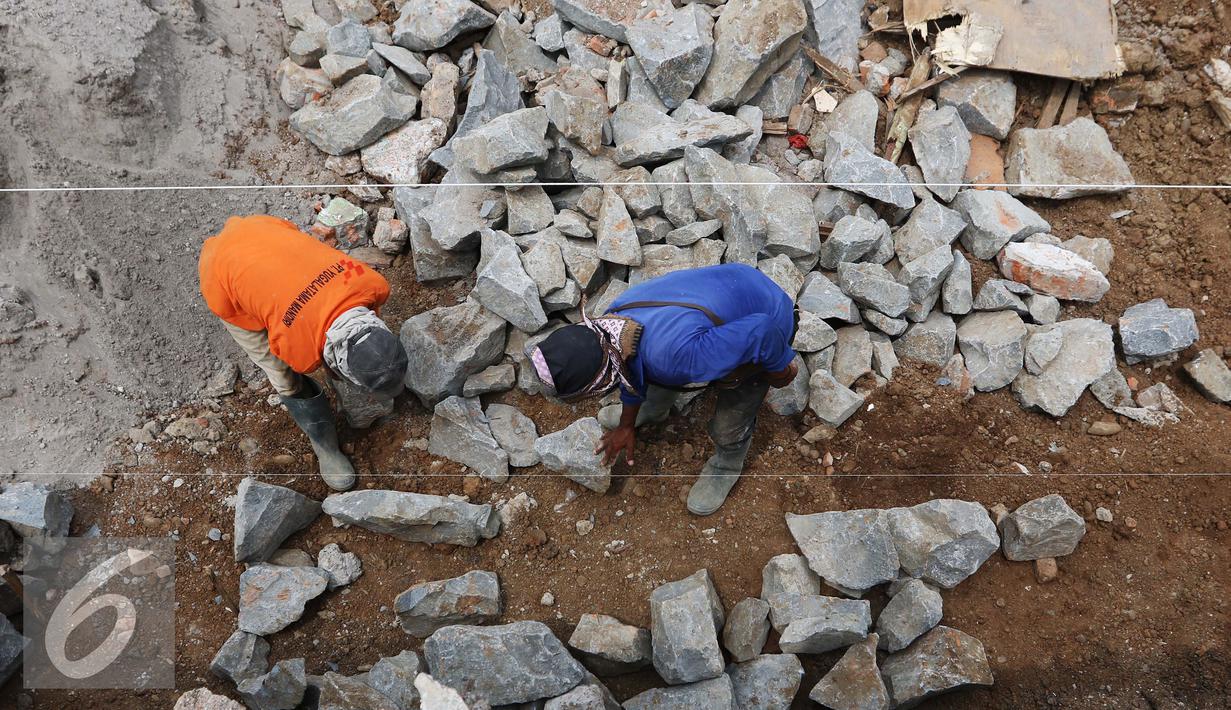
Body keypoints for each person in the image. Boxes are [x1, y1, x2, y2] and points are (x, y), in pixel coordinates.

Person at [527, 263, 799, 516]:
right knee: (654, 365)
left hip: (770, 315)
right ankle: (655, 409)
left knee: (732, 408)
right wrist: (626, 425)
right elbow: (629, 367)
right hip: (735, 285)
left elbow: (761, 332)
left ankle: (727, 462)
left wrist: (780, 371)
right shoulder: (614, 323)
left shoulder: (676, 356)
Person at [198, 215, 408, 491]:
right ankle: (325, 445)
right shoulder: (300, 352)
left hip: (263, 228)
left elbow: (365, 320)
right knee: (283, 376)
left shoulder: (373, 283)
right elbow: (311, 354)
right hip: (222, 274)